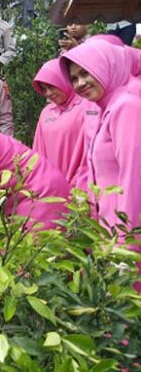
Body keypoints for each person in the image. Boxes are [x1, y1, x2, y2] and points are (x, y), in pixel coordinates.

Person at [60, 41, 141, 262]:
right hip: (108, 231)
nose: (80, 83)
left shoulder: (127, 107)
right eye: (74, 78)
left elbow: (133, 180)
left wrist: (126, 247)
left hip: (125, 237)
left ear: (105, 65)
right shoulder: (104, 109)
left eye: (85, 73)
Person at [31, 59, 94, 186]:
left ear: (64, 81)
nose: (48, 93)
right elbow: (38, 151)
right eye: (44, 89)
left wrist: (79, 181)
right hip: (52, 188)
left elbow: (92, 146)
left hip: (81, 185)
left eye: (51, 87)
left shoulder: (88, 105)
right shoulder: (46, 112)